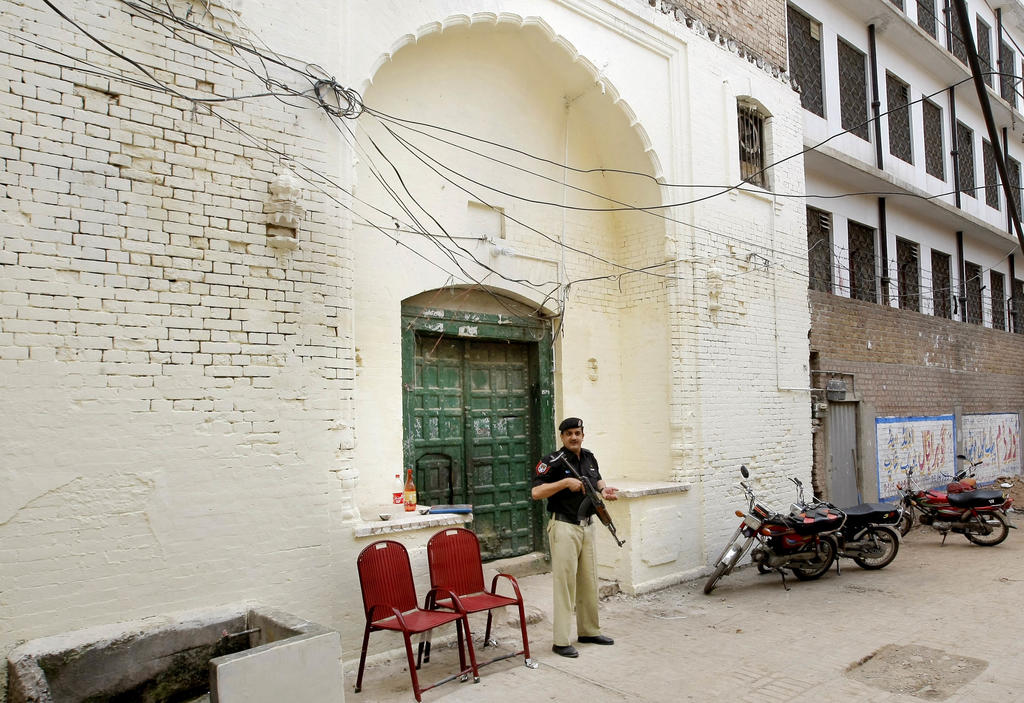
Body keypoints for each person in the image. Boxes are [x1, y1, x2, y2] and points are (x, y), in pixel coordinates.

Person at [531, 417, 618, 658]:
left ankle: (589, 631)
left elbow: (596, 478)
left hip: (588, 525)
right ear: (562, 437)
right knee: (565, 584)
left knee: (589, 581)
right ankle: (560, 641)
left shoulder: (588, 456)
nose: (573, 437)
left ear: (583, 434)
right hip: (564, 526)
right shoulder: (552, 462)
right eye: (568, 433)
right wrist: (563, 483)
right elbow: (536, 492)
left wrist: (604, 489)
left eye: (577, 432)